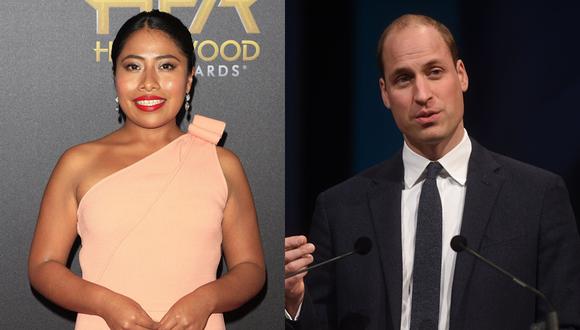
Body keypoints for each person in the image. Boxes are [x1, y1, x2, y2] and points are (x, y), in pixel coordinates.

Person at [285, 14, 580, 330]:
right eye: (403, 79)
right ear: (385, 93)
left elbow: (563, 320)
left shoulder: (537, 196)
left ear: (461, 75)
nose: (422, 95)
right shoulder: (340, 208)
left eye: (434, 72)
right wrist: (294, 302)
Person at [28, 10, 265, 330]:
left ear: (190, 77)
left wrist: (207, 299)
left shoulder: (223, 164)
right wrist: (105, 303)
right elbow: (44, 265)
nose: (149, 83)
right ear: (116, 76)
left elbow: (250, 268)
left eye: (166, 66)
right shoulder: (78, 162)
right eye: (133, 66)